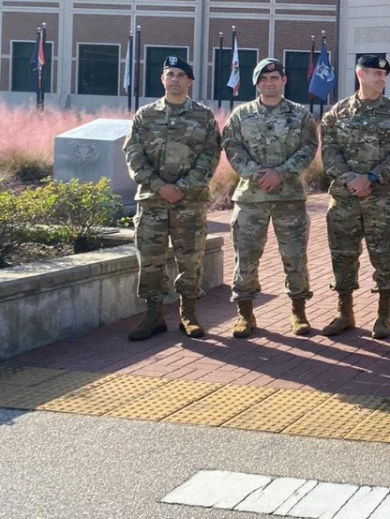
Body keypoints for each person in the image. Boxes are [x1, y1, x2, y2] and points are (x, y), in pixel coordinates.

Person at [123, 55, 220, 341]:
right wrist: (158, 185)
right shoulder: (145, 115)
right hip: (152, 202)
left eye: (181, 74)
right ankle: (153, 316)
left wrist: (182, 186)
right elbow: (133, 154)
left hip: (189, 203)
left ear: (190, 81)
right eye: (170, 73)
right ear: (162, 79)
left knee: (190, 259)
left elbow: (210, 156)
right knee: (150, 261)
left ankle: (188, 314)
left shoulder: (203, 116)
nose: (175, 78)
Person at [319, 54, 390, 339]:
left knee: (384, 257)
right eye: (376, 74)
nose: (381, 79)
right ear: (361, 74)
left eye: (384, 75)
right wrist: (351, 179)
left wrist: (371, 178)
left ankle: (383, 317)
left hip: (381, 198)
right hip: (344, 199)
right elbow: (330, 153)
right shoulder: (337, 113)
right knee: (343, 256)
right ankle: (344, 313)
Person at [222, 58, 320, 337]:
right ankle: (245, 314)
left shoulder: (300, 115)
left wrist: (281, 173)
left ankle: (299, 312)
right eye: (264, 79)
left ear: (284, 80)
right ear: (256, 83)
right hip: (251, 199)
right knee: (246, 258)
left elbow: (308, 147)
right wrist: (256, 173)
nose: (269, 82)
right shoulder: (240, 115)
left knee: (295, 257)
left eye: (274, 77)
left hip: (289, 198)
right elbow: (232, 147)